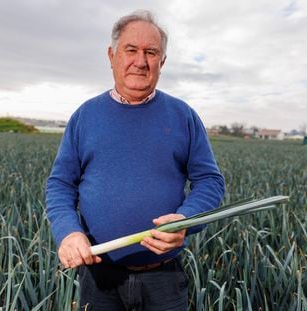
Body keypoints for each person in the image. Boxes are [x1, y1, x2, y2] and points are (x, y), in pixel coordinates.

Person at [46, 9, 225, 310]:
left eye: (151, 53)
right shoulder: (85, 116)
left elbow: (210, 182)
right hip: (100, 278)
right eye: (131, 50)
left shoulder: (183, 116)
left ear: (162, 62)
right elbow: (60, 184)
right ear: (112, 55)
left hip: (164, 278)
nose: (140, 62)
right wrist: (68, 231)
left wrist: (186, 219)